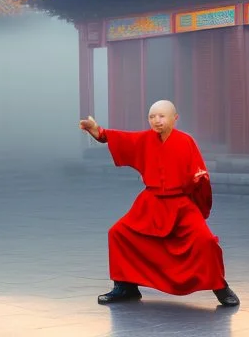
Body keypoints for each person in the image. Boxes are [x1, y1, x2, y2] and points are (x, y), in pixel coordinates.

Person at [79, 100, 239, 307]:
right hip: (151, 202)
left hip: (181, 203)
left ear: (175, 118)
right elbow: (119, 138)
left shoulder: (186, 141)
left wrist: (197, 187)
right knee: (118, 233)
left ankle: (219, 286)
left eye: (162, 116)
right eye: (152, 116)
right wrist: (96, 131)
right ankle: (125, 286)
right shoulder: (145, 139)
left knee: (205, 241)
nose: (156, 120)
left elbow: (200, 175)